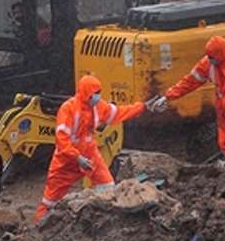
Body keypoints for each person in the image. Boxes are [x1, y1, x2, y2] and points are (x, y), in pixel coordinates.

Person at [34, 75, 148, 224]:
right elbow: (62, 140)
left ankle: (105, 221)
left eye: (99, 91)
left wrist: (143, 106)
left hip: (90, 155)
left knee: (107, 187)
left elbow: (118, 113)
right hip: (66, 160)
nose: (98, 95)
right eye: (95, 92)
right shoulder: (68, 109)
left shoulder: (98, 106)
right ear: (86, 92)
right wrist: (77, 157)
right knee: (50, 201)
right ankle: (38, 228)